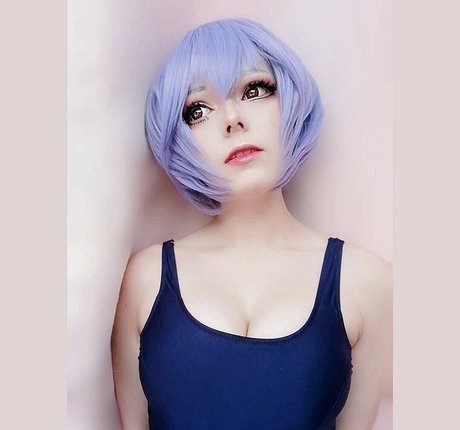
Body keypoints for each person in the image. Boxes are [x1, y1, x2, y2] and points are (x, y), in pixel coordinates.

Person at [111, 18, 392, 430]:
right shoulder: (144, 279)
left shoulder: (368, 282)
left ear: (290, 99)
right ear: (179, 136)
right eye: (198, 110)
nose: (232, 119)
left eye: (254, 90)